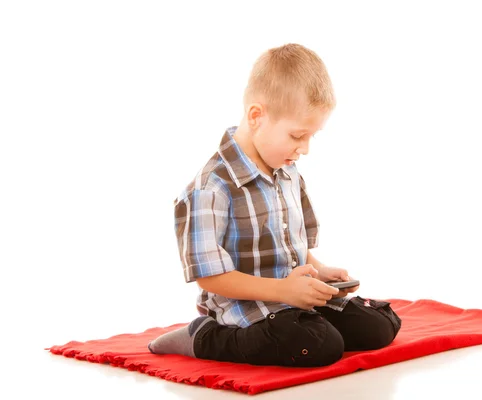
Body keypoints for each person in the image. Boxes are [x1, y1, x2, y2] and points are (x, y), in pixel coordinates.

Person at [148, 43, 401, 367]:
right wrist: (283, 291)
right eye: (297, 136)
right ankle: (203, 337)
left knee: (378, 327)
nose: (305, 148)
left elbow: (289, 242)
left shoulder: (286, 171)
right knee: (320, 346)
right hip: (245, 311)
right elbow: (209, 277)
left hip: (291, 301)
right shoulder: (211, 188)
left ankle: (308, 321)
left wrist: (319, 272)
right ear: (257, 116)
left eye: (312, 136)